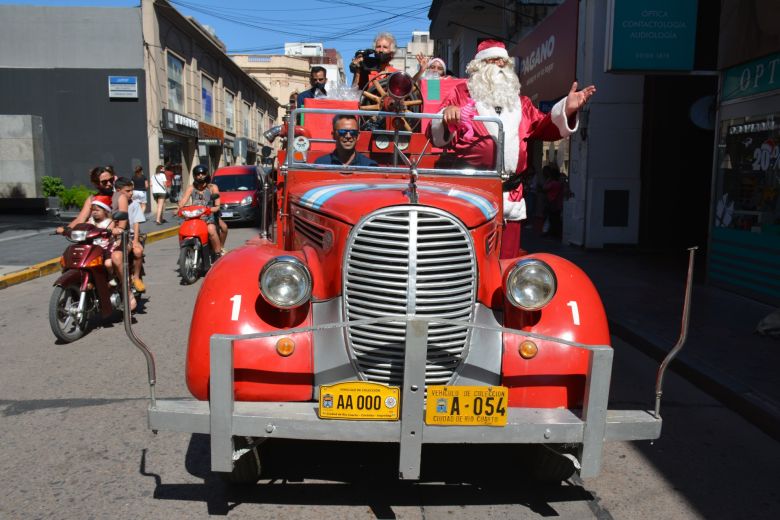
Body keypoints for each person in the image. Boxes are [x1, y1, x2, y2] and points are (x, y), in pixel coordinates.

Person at [428, 39, 595, 257]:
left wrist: (567, 107)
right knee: (468, 258)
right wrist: (446, 115)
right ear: (479, 66)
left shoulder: (521, 103)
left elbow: (545, 127)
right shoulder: (461, 93)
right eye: (493, 60)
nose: (499, 65)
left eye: (503, 61)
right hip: (471, 193)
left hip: (511, 196)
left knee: (507, 260)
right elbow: (435, 133)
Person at [56, 166, 127, 235]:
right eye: (104, 182)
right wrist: (66, 229)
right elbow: (81, 219)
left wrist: (119, 229)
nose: (109, 184)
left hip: (114, 237)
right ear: (96, 184)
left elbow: (122, 224)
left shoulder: (120, 197)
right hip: (93, 237)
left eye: (111, 180)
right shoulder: (92, 199)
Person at [178, 164, 225, 257]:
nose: (200, 175)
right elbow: (183, 200)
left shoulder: (212, 187)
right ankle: (185, 252)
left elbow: (217, 204)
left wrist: (212, 208)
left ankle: (218, 253)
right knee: (183, 230)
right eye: (198, 174)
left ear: (206, 174)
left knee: (211, 230)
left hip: (208, 215)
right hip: (194, 216)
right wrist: (179, 208)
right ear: (194, 176)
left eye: (202, 173)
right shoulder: (191, 188)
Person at [114, 178, 146, 293]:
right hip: (116, 237)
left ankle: (136, 277)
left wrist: (136, 240)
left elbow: (136, 223)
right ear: (118, 191)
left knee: (138, 252)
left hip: (131, 236)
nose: (131, 193)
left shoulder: (135, 205)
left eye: (132, 190)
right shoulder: (114, 204)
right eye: (127, 191)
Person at [542, 164, 564, 238]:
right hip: (557, 203)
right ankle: (555, 233)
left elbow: (544, 188)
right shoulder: (559, 183)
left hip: (552, 203)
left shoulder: (553, 183)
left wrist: (548, 180)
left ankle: (553, 234)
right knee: (555, 219)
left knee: (553, 219)